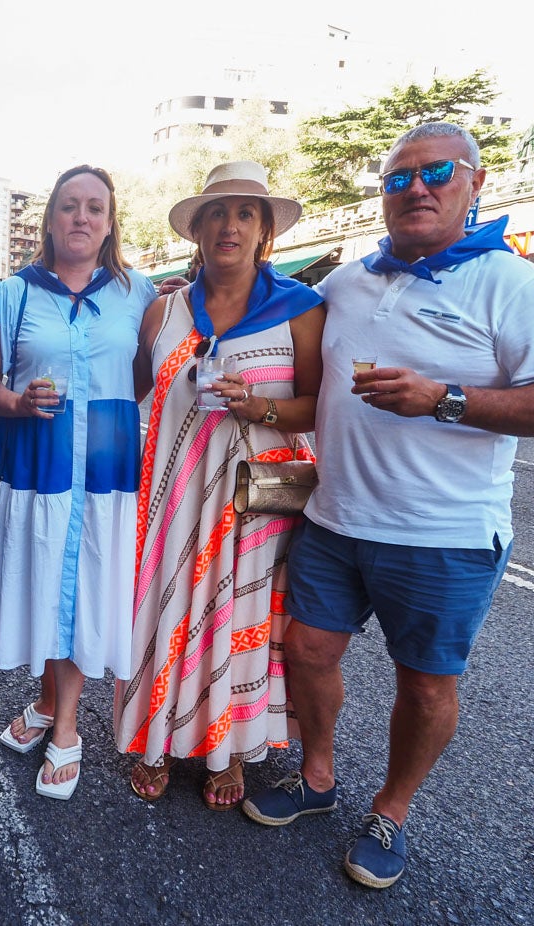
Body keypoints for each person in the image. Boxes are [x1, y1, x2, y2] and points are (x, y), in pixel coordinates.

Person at [241, 122, 534, 889]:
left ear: (474, 183)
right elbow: (300, 380)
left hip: (443, 534)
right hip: (334, 519)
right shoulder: (344, 283)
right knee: (305, 651)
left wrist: (446, 401)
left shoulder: (513, 284)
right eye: (398, 178)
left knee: (424, 682)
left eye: (435, 172)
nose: (416, 188)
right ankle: (316, 775)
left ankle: (392, 810)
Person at [114, 161, 325, 810]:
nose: (228, 225)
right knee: (169, 608)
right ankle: (155, 738)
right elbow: (130, 399)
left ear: (264, 231)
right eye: (216, 213)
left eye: (244, 214)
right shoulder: (162, 311)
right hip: (175, 497)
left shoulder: (300, 309)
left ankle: (227, 749)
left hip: (257, 498)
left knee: (240, 618)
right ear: (197, 229)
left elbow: (319, 406)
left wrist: (257, 410)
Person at [0, 165, 157, 800]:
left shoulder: (138, 293)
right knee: (51, 584)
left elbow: (144, 375)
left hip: (106, 475)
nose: (81, 218)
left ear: (110, 224)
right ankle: (48, 700)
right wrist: (18, 403)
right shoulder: (13, 295)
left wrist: (103, 407)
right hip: (39, 470)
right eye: (68, 206)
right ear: (50, 219)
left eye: (94, 208)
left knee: (84, 588)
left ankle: (65, 725)